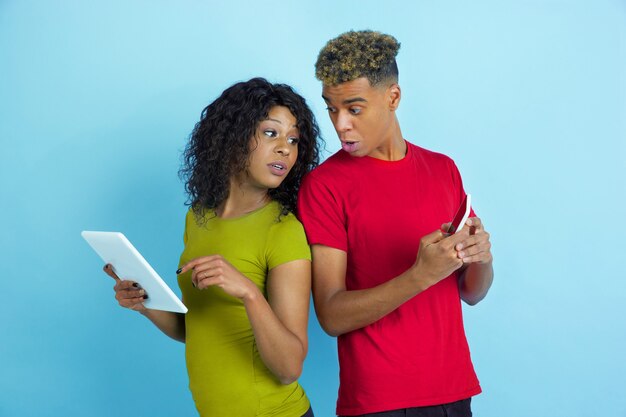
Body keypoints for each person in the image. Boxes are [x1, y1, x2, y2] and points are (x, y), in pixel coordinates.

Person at [297, 30, 494, 417]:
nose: (340, 125)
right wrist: (420, 275)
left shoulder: (443, 170)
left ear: (393, 97)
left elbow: (472, 293)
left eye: (354, 109)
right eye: (331, 109)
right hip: (379, 400)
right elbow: (332, 315)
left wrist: (482, 257)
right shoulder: (324, 186)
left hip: (455, 391)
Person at [103, 77, 321, 417]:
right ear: (233, 137)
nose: (285, 148)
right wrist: (145, 305)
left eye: (294, 139)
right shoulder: (199, 217)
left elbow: (290, 366)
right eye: (270, 133)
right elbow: (199, 330)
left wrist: (248, 292)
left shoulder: (283, 232)